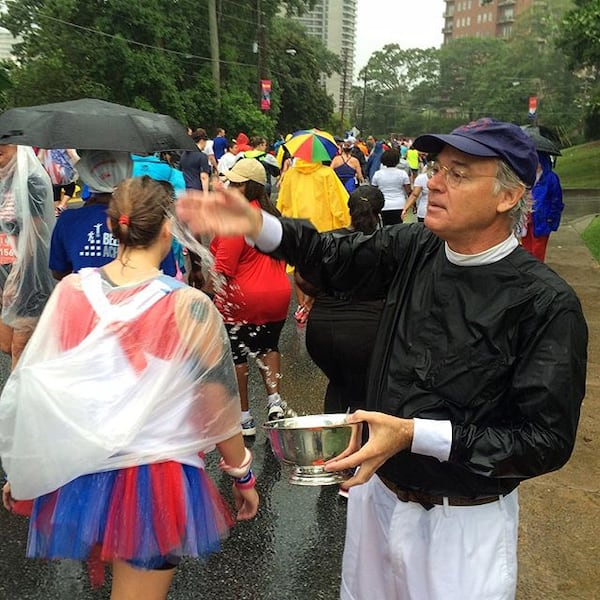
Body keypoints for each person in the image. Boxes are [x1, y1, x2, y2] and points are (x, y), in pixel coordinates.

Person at [175, 118, 588, 600]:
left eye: (458, 173)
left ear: (507, 195)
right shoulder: (417, 247)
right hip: (377, 499)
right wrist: (258, 225)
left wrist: (415, 435)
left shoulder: (544, 303)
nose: (432, 181)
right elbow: (337, 256)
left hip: (462, 526)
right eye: (437, 167)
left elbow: (544, 440)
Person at [1, 175, 259, 600]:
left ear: (111, 226)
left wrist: (25, 467)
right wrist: (242, 473)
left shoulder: (71, 291)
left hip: (86, 470)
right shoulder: (189, 305)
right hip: (158, 475)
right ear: (166, 229)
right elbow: (216, 404)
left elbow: (41, 385)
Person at [209, 159, 291, 435]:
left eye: (233, 183)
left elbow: (224, 269)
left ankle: (244, 417)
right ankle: (274, 401)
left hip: (243, 298)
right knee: (269, 346)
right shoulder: (273, 215)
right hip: (278, 295)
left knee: (238, 354)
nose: (228, 187)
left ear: (246, 187)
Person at [297, 185, 385, 414]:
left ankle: (335, 441)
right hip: (367, 332)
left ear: (350, 210)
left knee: (338, 386)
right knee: (365, 393)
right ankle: (364, 444)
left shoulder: (329, 240)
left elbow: (302, 277)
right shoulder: (388, 244)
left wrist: (322, 291)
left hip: (322, 331)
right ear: (379, 212)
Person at [49, 150, 179, 280]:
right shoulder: (148, 217)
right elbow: (168, 273)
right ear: (128, 169)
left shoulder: (68, 220)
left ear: (87, 173)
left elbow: (59, 272)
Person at [0, 145, 56, 369]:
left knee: (20, 348)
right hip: (3, 272)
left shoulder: (32, 181)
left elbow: (33, 238)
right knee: (5, 344)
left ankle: (20, 401)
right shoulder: (2, 184)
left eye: (4, 140)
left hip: (29, 276)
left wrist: (18, 280)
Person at [276, 157, 349, 325]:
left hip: (296, 228)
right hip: (322, 229)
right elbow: (339, 204)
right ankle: (312, 305)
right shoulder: (326, 174)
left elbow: (282, 203)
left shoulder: (291, 174)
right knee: (320, 270)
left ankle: (301, 307)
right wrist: (345, 225)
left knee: (298, 268)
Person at [520, 151, 564, 262]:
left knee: (538, 249)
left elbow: (557, 200)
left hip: (542, 219)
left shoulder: (551, 178)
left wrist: (551, 218)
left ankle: (536, 273)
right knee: (526, 247)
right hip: (527, 217)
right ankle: (528, 270)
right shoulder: (528, 176)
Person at [371, 148, 412, 225]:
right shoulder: (402, 173)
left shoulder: (377, 174)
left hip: (383, 205)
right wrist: (413, 204)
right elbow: (409, 191)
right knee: (398, 228)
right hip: (399, 204)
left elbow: (373, 191)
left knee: (385, 227)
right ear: (397, 160)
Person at [37, 148, 80, 215]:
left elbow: (40, 157)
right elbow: (72, 153)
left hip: (51, 171)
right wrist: (78, 164)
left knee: (55, 189)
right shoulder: (64, 142)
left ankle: (56, 210)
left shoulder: (46, 144)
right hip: (64, 169)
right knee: (70, 186)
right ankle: (62, 205)